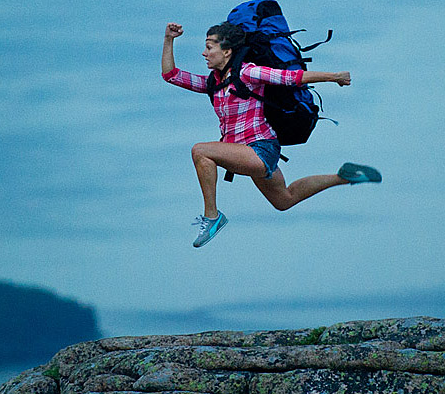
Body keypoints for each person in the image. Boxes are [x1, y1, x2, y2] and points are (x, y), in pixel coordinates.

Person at [163, 20, 381, 247]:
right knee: (284, 200)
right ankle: (344, 176)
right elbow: (171, 75)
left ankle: (212, 216)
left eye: (209, 47)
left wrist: (334, 77)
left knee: (200, 151)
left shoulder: (248, 72)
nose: (204, 53)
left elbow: (291, 78)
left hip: (260, 149)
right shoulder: (213, 83)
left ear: (226, 51)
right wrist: (169, 39)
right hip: (247, 153)